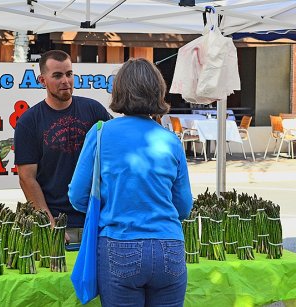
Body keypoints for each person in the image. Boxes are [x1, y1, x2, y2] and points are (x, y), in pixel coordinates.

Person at [68, 58, 193, 306]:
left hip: (119, 244)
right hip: (170, 246)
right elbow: (183, 207)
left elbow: (77, 196)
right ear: (159, 90)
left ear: (119, 90)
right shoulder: (170, 141)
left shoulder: (101, 133)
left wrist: (111, 206)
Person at [14, 50, 111, 243]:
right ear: (42, 80)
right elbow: (27, 178)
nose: (65, 81)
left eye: (69, 74)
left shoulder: (94, 110)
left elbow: (113, 160)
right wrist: (49, 223)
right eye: (57, 76)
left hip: (98, 220)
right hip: (59, 223)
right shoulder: (29, 122)